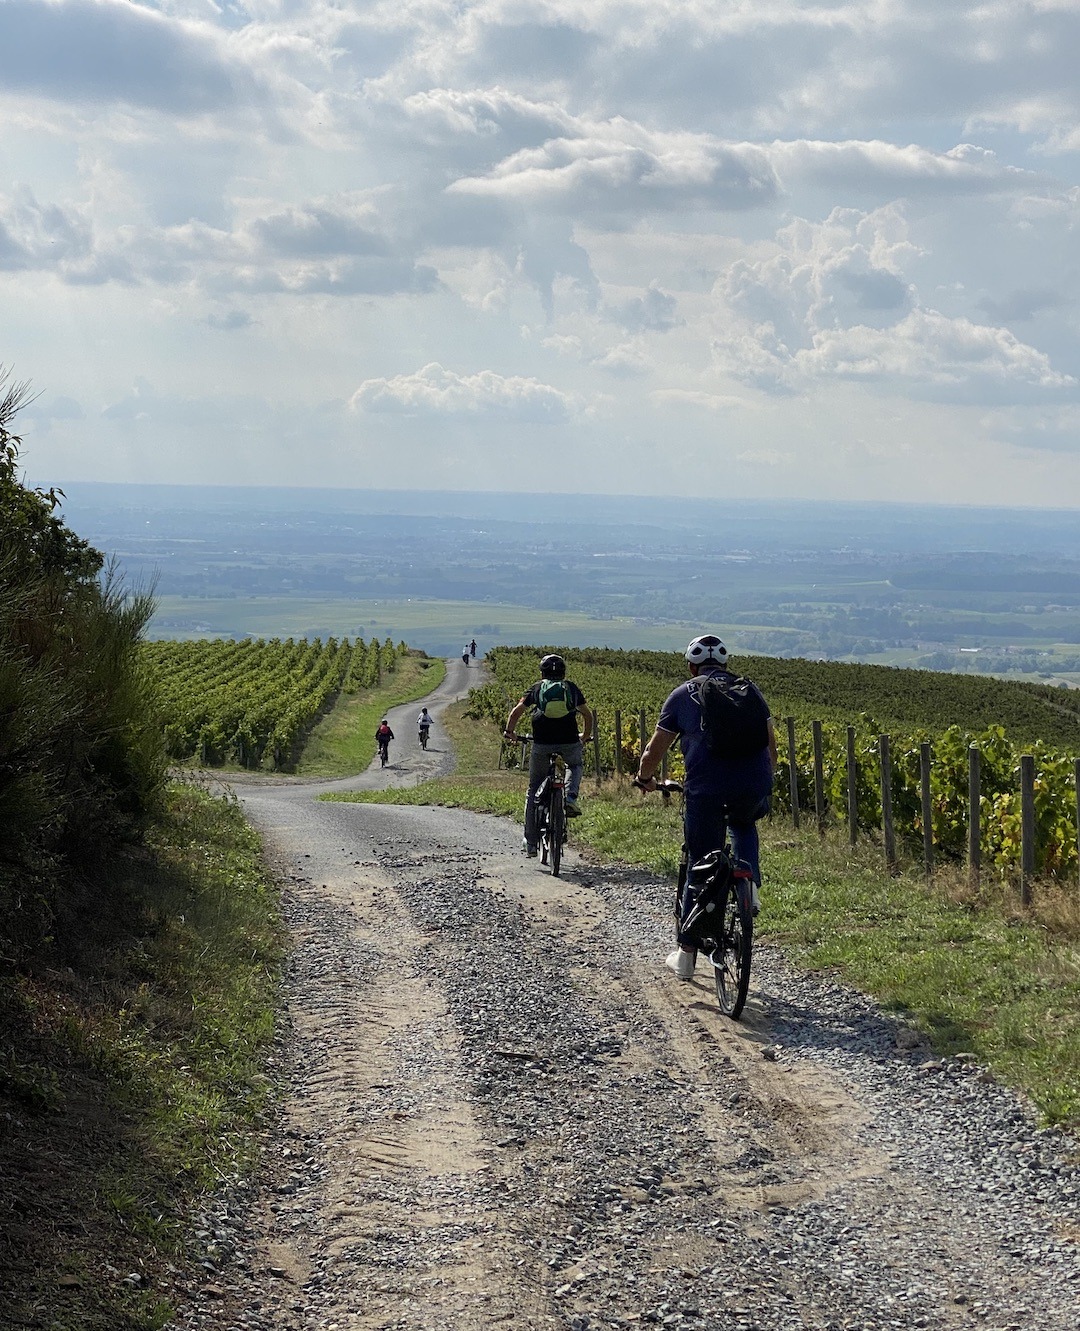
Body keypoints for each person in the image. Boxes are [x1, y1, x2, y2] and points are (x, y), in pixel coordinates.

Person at [634, 635, 776, 981]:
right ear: (725, 664)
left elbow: (654, 751)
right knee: (744, 823)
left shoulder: (683, 694)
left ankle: (686, 957)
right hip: (752, 784)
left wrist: (644, 778)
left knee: (699, 862)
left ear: (691, 666)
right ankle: (750, 886)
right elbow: (771, 748)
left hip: (705, 790)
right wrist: (762, 782)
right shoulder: (751, 691)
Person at [503, 653, 594, 856]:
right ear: (563, 672)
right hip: (569, 740)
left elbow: (516, 712)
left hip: (542, 742)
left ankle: (531, 842)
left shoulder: (536, 688)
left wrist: (510, 732)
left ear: (542, 672)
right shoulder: (570, 688)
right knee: (575, 766)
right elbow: (587, 715)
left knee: (534, 788)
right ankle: (570, 797)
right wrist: (584, 737)